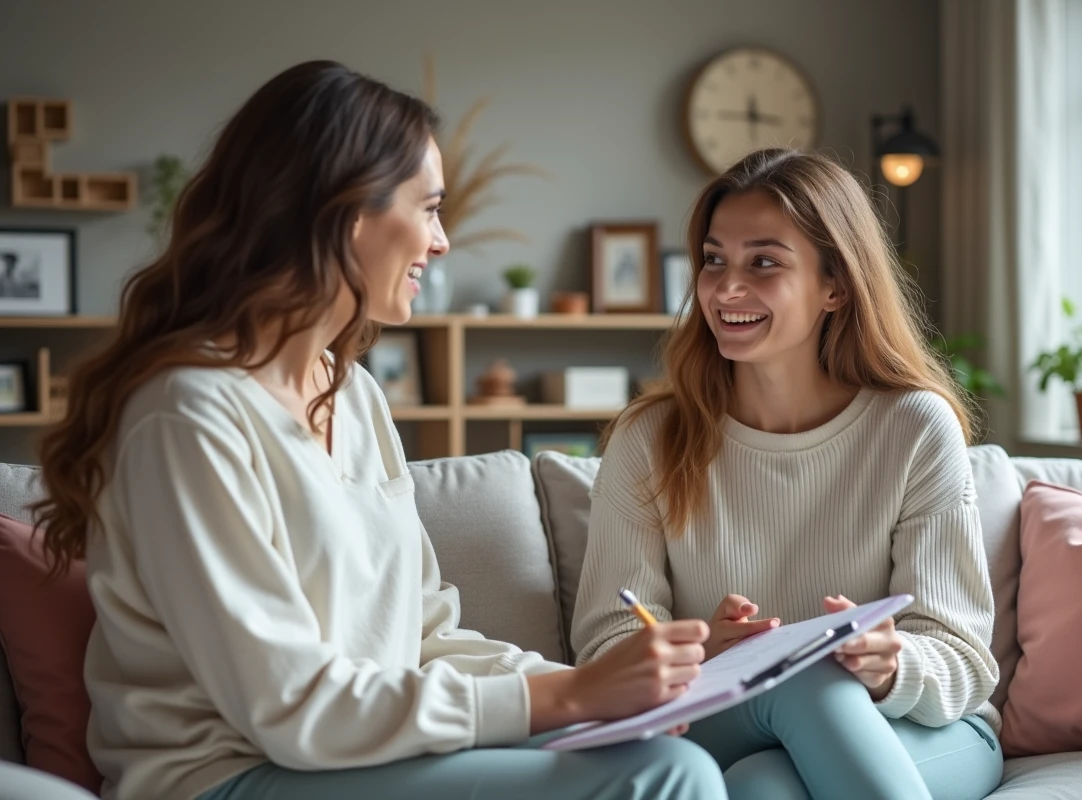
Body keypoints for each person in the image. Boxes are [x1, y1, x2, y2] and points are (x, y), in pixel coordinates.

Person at [32, 60, 724, 800]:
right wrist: (568, 701)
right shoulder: (187, 416)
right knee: (664, 773)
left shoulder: (351, 394)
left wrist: (592, 685)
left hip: (360, 755)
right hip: (227, 776)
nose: (442, 241)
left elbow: (425, 638)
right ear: (345, 212)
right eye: (428, 208)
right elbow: (289, 707)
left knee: (678, 739)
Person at [571, 149, 1004, 800]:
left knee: (762, 789)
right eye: (714, 260)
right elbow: (608, 642)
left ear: (835, 285)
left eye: (763, 263)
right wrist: (695, 652)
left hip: (917, 730)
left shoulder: (914, 428)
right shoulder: (650, 439)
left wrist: (891, 665)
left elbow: (963, 659)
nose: (724, 288)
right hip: (726, 718)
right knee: (802, 682)